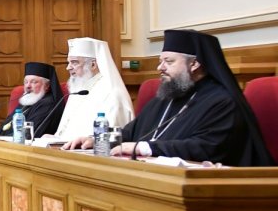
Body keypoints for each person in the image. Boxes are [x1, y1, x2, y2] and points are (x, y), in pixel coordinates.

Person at [67, 29, 275, 166]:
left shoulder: (222, 102)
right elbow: (132, 132)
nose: (160, 68)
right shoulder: (166, 96)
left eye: (168, 61)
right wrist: (97, 141)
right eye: (160, 61)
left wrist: (142, 148)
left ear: (194, 64)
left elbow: (206, 147)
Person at [52, 37, 135, 142]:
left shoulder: (112, 94)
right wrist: (55, 138)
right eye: (68, 62)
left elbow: (109, 138)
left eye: (74, 62)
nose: (68, 67)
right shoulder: (79, 90)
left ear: (93, 64)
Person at [0, 62, 64, 138]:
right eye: (26, 82)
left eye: (34, 82)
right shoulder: (27, 101)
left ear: (46, 86)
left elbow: (29, 134)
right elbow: (5, 125)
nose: (28, 86)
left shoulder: (47, 104)